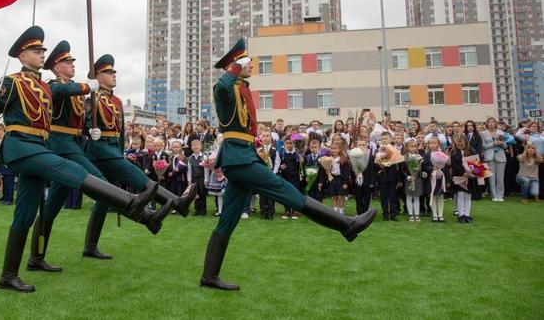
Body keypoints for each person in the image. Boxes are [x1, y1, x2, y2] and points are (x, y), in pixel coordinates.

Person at [0, 26, 159, 293]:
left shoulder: (43, 86)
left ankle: (11, 274)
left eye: (43, 49)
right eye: (36, 50)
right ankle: (133, 205)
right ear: (22, 56)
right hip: (21, 147)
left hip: (38, 146)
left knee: (27, 212)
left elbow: (63, 98)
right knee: (73, 168)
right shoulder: (12, 82)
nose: (42, 53)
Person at [199, 38, 376, 291]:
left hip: (243, 158)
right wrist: (236, 65)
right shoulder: (226, 89)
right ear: (234, 64)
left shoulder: (241, 89)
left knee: (227, 220)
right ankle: (346, 226)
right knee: (287, 192)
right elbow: (221, 87)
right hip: (239, 161)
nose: (251, 65)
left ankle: (209, 276)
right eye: (246, 61)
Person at [28, 41, 171, 272]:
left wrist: (88, 130)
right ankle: (144, 216)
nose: (72, 64)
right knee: (100, 183)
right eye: (67, 62)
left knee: (53, 205)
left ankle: (40, 256)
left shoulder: (77, 90)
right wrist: (89, 87)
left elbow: (79, 121)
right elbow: (58, 92)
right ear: (56, 68)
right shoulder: (53, 85)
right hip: (61, 147)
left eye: (73, 61)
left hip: (74, 145)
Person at [81, 53, 196, 258]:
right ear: (98, 77)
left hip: (113, 151)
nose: (114, 75)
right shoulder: (91, 97)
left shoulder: (115, 101)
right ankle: (177, 202)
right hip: (98, 152)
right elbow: (81, 123)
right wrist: (89, 131)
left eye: (114, 71)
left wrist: (119, 149)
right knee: (136, 175)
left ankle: (90, 247)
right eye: (109, 72)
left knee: (103, 200)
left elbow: (121, 130)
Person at [451, 133, 477, 223]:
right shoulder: (453, 152)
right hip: (459, 177)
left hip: (470, 177)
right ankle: (461, 214)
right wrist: (463, 173)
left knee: (468, 196)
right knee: (461, 195)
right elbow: (454, 166)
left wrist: (470, 173)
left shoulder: (472, 151)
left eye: (461, 142)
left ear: (465, 141)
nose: (459, 144)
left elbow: (476, 162)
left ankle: (467, 214)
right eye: (457, 143)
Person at [481, 117, 507, 202]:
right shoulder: (483, 133)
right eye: (490, 122)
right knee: (491, 177)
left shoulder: (501, 132)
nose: (491, 123)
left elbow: (506, 146)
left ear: (495, 123)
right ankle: (494, 195)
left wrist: (502, 143)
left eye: (493, 121)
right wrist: (493, 143)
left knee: (500, 177)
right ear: (487, 124)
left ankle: (500, 195)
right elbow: (483, 146)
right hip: (489, 156)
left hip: (500, 156)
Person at [187, 139, 209, 216]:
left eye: (197, 145)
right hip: (194, 178)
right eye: (194, 145)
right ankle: (197, 210)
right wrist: (189, 180)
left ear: (200, 147)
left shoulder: (204, 156)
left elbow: (206, 169)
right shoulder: (190, 158)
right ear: (191, 147)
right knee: (195, 194)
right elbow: (189, 170)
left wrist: (206, 179)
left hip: (202, 178)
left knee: (202, 194)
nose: (196, 146)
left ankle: (203, 210)